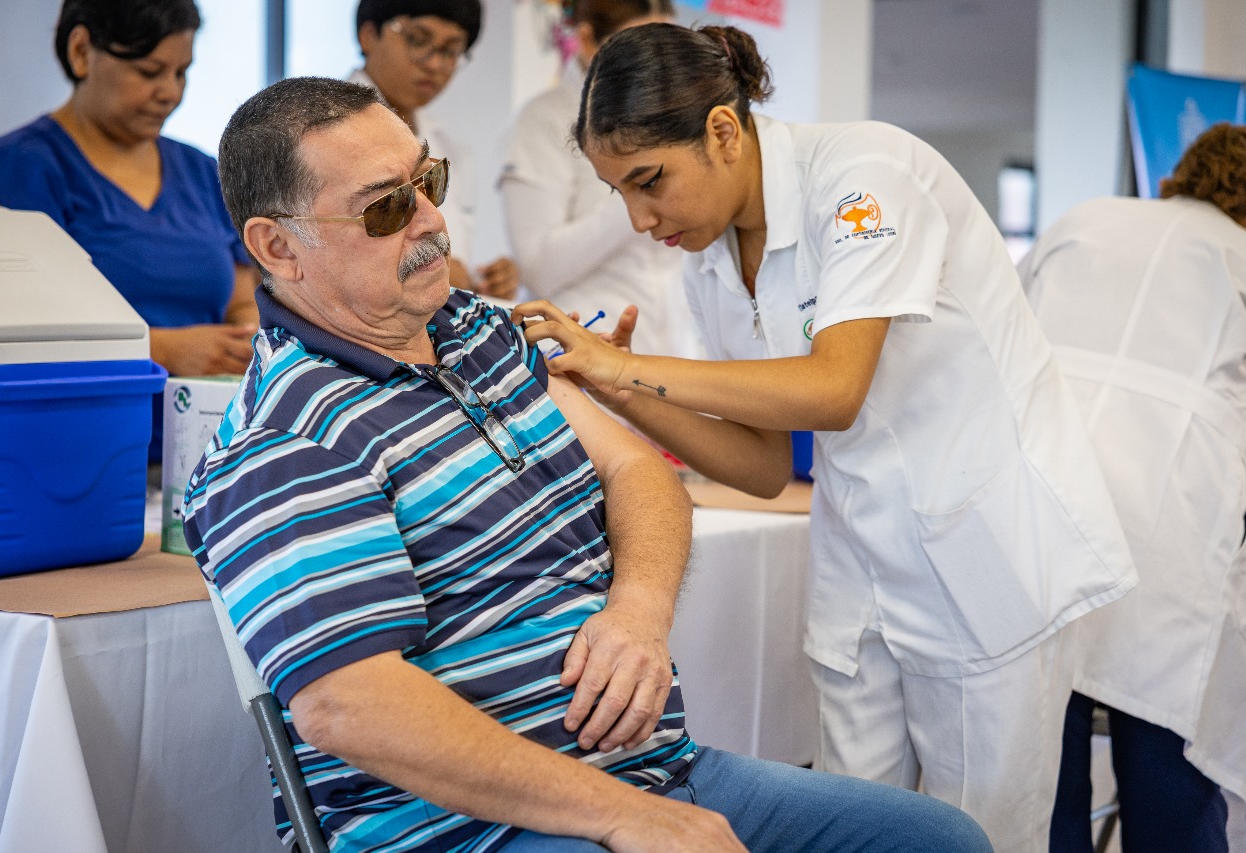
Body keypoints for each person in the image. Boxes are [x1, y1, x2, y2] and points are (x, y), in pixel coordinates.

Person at [182, 75, 993, 853]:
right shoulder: (284, 438)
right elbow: (347, 706)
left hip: (651, 775)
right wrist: (622, 815)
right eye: (388, 206)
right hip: (471, 831)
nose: (431, 220)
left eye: (428, 180)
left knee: (939, 838)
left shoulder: (480, 332)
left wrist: (636, 611)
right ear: (278, 247)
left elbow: (638, 472)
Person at [512, 23, 1138, 853]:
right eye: (617, 191)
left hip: (985, 557)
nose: (637, 217)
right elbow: (765, 463)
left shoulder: (864, 177)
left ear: (724, 133)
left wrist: (632, 369)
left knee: (978, 835)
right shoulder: (706, 261)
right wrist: (616, 386)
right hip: (862, 561)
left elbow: (833, 389)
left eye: (648, 180)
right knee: (858, 827)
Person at [1019, 123, 1246, 853]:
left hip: (1040, 516)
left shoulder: (1087, 220)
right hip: (1172, 547)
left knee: (1040, 784)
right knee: (1168, 782)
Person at [0, 0, 257, 462]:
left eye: (181, 72)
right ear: (82, 51)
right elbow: (9, 336)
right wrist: (161, 349)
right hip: (76, 448)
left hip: (200, 454)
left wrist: (246, 333)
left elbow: (241, 294)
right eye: (149, 71)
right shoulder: (21, 169)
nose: (169, 92)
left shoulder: (202, 172)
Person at [498, 0, 698, 357]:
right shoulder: (543, 119)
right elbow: (539, 267)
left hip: (672, 346)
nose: (654, 64)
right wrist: (643, 188)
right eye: (637, 46)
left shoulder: (672, 118)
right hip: (581, 344)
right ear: (588, 40)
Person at [350, 0, 519, 300]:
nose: (435, 63)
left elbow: (455, 259)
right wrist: (436, 268)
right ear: (369, 35)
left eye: (451, 50)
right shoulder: (329, 134)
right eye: (417, 39)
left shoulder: (451, 149)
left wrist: (485, 280)